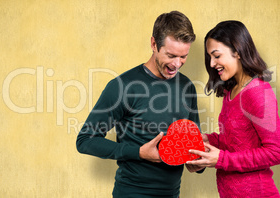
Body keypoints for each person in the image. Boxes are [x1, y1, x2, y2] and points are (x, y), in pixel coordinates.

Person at [76, 11, 200, 198]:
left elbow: (193, 144)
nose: (177, 64)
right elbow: (85, 140)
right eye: (171, 55)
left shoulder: (187, 87)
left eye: (183, 56)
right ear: (153, 44)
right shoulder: (123, 87)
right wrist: (138, 152)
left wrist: (197, 163)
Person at [186, 21, 280, 197]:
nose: (211, 63)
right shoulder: (231, 90)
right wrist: (208, 140)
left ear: (237, 51)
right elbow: (236, 142)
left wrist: (222, 159)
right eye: (210, 57)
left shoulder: (258, 92)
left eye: (216, 56)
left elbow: (277, 152)